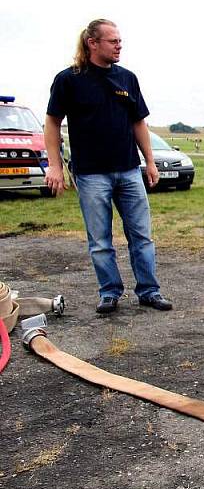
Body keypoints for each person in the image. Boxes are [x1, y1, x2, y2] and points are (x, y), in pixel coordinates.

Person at [44, 18, 172, 313]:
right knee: (100, 240)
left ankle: (149, 291)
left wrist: (150, 162)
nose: (119, 45)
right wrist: (54, 165)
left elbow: (138, 122)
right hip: (90, 174)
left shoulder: (127, 78)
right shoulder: (69, 80)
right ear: (92, 43)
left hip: (128, 170)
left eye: (119, 40)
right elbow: (51, 122)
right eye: (113, 41)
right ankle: (109, 292)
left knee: (142, 236)